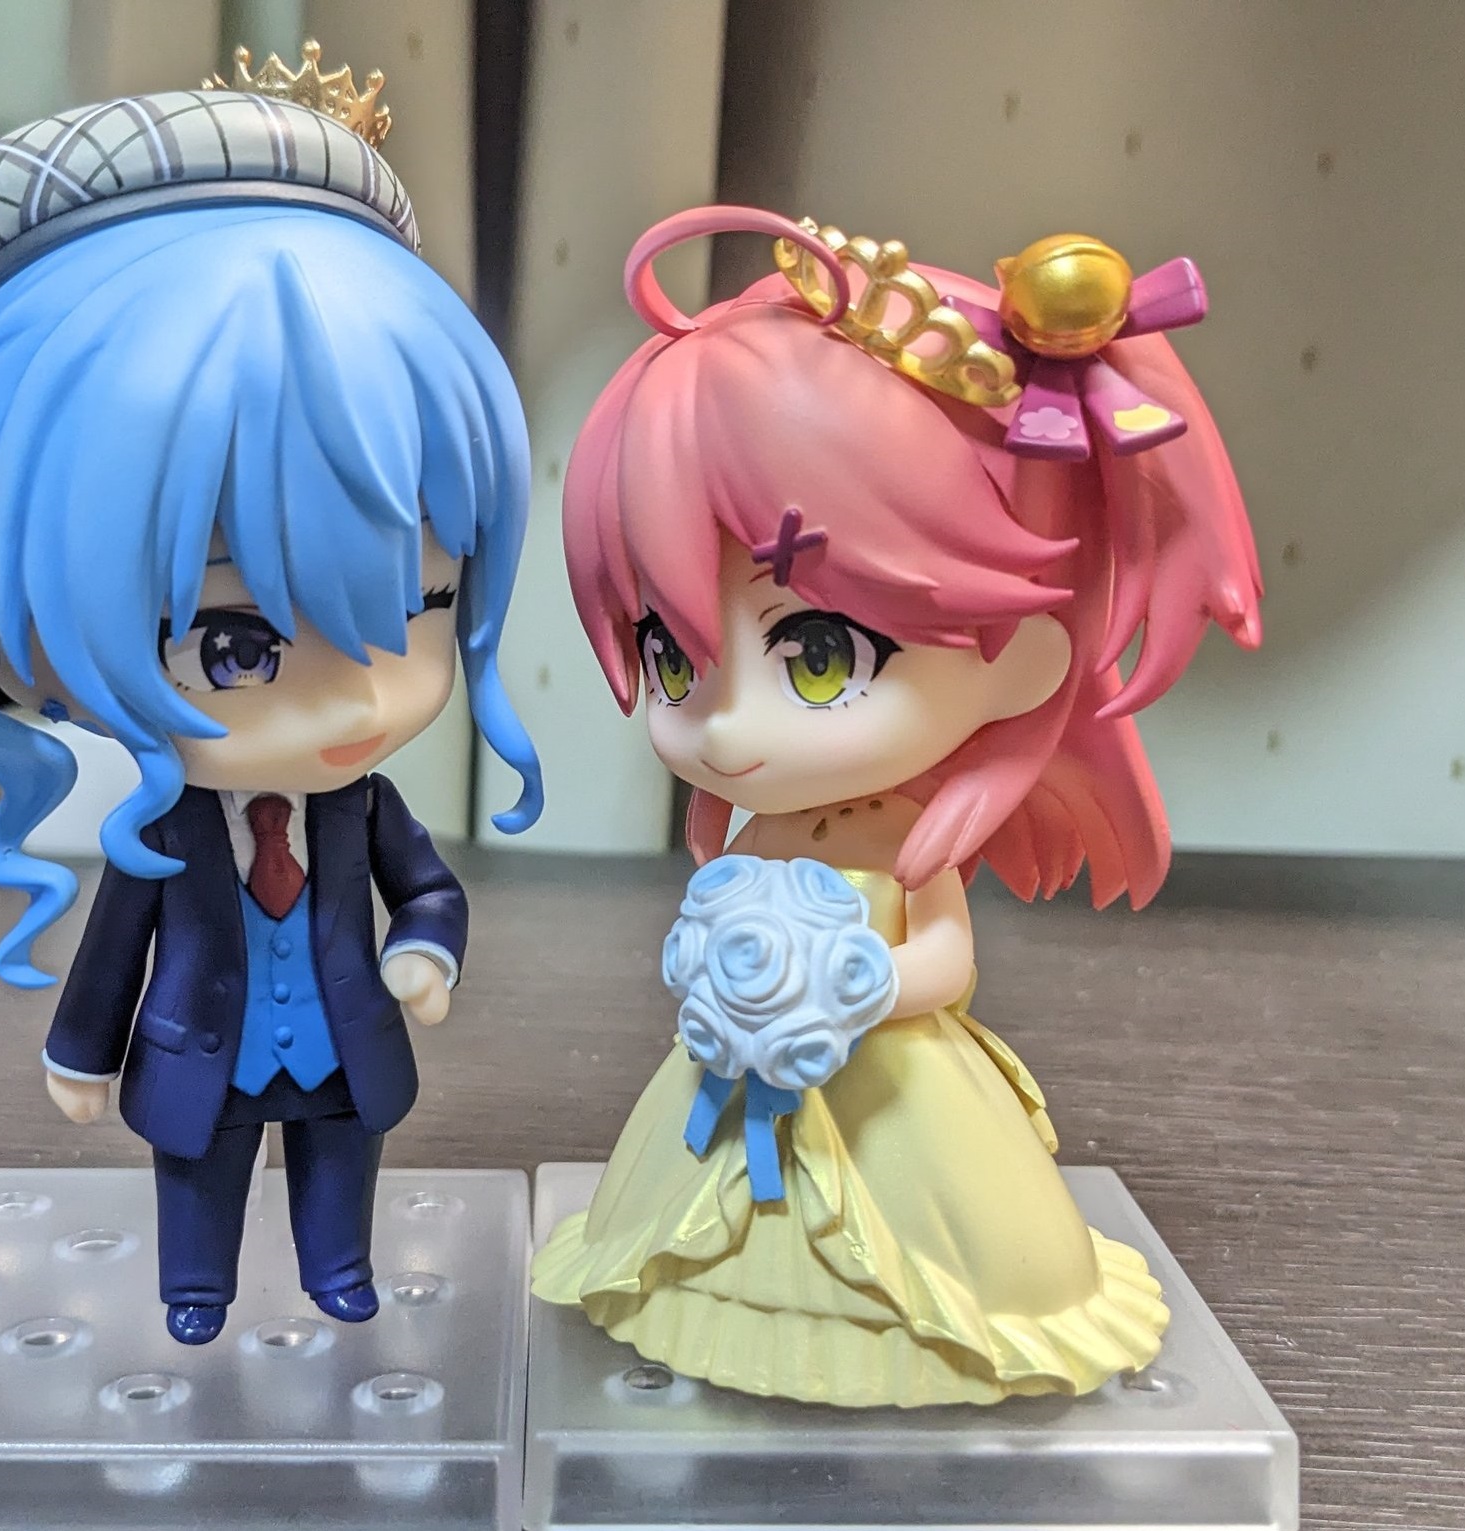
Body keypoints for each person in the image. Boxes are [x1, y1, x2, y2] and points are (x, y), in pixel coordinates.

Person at [0, 55, 543, 1345]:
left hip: (346, 1052)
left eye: (420, 606)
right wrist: (79, 1051)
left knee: (339, 1169)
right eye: (236, 644)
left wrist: (425, 953)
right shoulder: (161, 832)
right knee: (198, 1181)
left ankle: (340, 1274)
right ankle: (195, 1290)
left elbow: (428, 890)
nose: (355, 704)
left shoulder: (364, 811)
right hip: (198, 1062)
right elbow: (113, 949)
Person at [533, 207, 1261, 1407]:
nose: (726, 725)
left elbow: (947, 965)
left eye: (819, 655)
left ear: (1023, 660)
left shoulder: (911, 846)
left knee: (953, 1249)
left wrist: (855, 984)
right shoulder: (757, 827)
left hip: (896, 1098)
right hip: (735, 1080)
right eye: (671, 654)